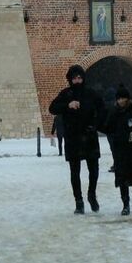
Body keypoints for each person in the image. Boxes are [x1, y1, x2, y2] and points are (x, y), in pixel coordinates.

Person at [47, 64, 106, 214]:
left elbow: (102, 110)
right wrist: (68, 105)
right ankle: (78, 201)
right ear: (70, 79)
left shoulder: (91, 93)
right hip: (73, 137)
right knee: (75, 171)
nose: (77, 80)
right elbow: (53, 108)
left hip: (89, 135)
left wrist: (95, 125)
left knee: (94, 169)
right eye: (74, 78)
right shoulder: (66, 94)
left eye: (79, 77)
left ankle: (91, 194)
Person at [104, 84, 132, 215]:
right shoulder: (114, 113)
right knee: (122, 178)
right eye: (119, 99)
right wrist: (117, 137)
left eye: (123, 98)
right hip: (120, 150)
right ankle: (125, 203)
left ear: (128, 99)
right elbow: (108, 128)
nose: (121, 101)